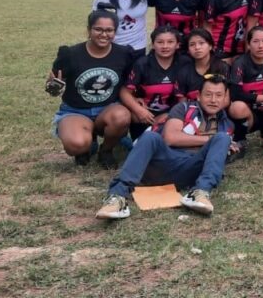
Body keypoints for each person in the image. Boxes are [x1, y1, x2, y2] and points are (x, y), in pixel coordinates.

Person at [95, 74, 237, 220]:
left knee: (223, 138)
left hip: (190, 168)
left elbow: (218, 158)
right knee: (151, 137)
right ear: (198, 96)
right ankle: (117, 197)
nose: (213, 100)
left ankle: (200, 192)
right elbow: (171, 138)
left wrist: (225, 146)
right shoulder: (183, 108)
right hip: (164, 161)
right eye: (208, 94)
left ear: (225, 98)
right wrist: (209, 139)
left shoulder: (227, 125)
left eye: (219, 95)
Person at [49, 8, 139, 168]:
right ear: (89, 30)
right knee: (76, 144)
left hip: (108, 109)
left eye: (109, 30)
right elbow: (53, 86)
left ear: (115, 32)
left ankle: (106, 150)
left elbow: (128, 83)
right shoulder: (70, 54)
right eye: (98, 29)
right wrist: (53, 87)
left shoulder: (123, 54)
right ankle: (87, 142)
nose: (104, 34)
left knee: (122, 116)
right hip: (76, 110)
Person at [227, 27, 263, 158]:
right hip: (250, 114)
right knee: (236, 107)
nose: (260, 46)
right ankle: (240, 139)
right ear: (248, 44)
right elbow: (235, 94)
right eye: (255, 41)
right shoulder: (240, 63)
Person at [119, 26, 188, 139]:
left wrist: (172, 114)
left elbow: (186, 96)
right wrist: (139, 110)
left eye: (170, 42)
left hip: (172, 112)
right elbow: (125, 92)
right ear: (153, 44)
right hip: (146, 112)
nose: (165, 46)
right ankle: (129, 138)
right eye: (160, 42)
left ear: (177, 45)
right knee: (133, 120)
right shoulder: (142, 64)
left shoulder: (185, 63)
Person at [176, 28, 230, 101]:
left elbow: (226, 100)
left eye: (201, 43)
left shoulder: (222, 67)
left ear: (210, 46)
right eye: (192, 44)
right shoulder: (184, 72)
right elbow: (182, 103)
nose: (197, 48)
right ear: (188, 50)